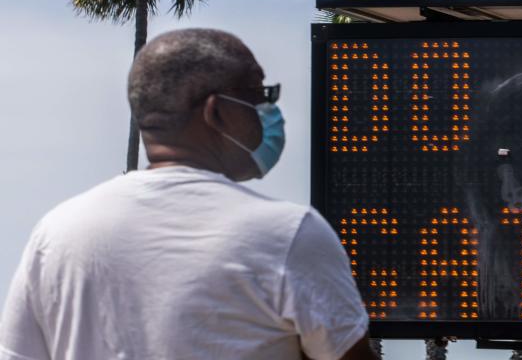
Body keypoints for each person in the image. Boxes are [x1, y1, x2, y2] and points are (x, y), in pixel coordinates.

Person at [0, 28, 377, 360]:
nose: (269, 110)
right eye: (260, 94)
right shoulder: (289, 235)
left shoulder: (59, 233)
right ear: (216, 112)